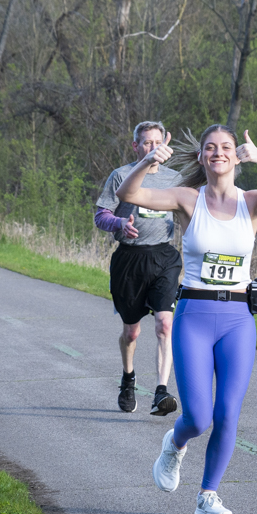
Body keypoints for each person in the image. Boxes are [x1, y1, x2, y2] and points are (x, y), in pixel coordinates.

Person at [116, 125, 257, 514]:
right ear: (201, 157)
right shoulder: (188, 198)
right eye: (210, 148)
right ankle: (175, 444)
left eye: (227, 148)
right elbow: (128, 195)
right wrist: (148, 162)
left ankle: (208, 495)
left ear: (236, 156)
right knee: (198, 417)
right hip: (194, 314)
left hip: (237, 318)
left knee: (227, 413)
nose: (218, 153)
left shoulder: (251, 203)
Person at [95, 121, 181, 416]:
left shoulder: (175, 177)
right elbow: (100, 216)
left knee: (165, 324)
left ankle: (161, 391)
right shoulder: (120, 175)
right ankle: (128, 378)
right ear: (136, 146)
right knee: (131, 332)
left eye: (157, 142)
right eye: (146, 143)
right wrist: (118, 223)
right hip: (129, 260)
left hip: (164, 256)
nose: (153, 148)